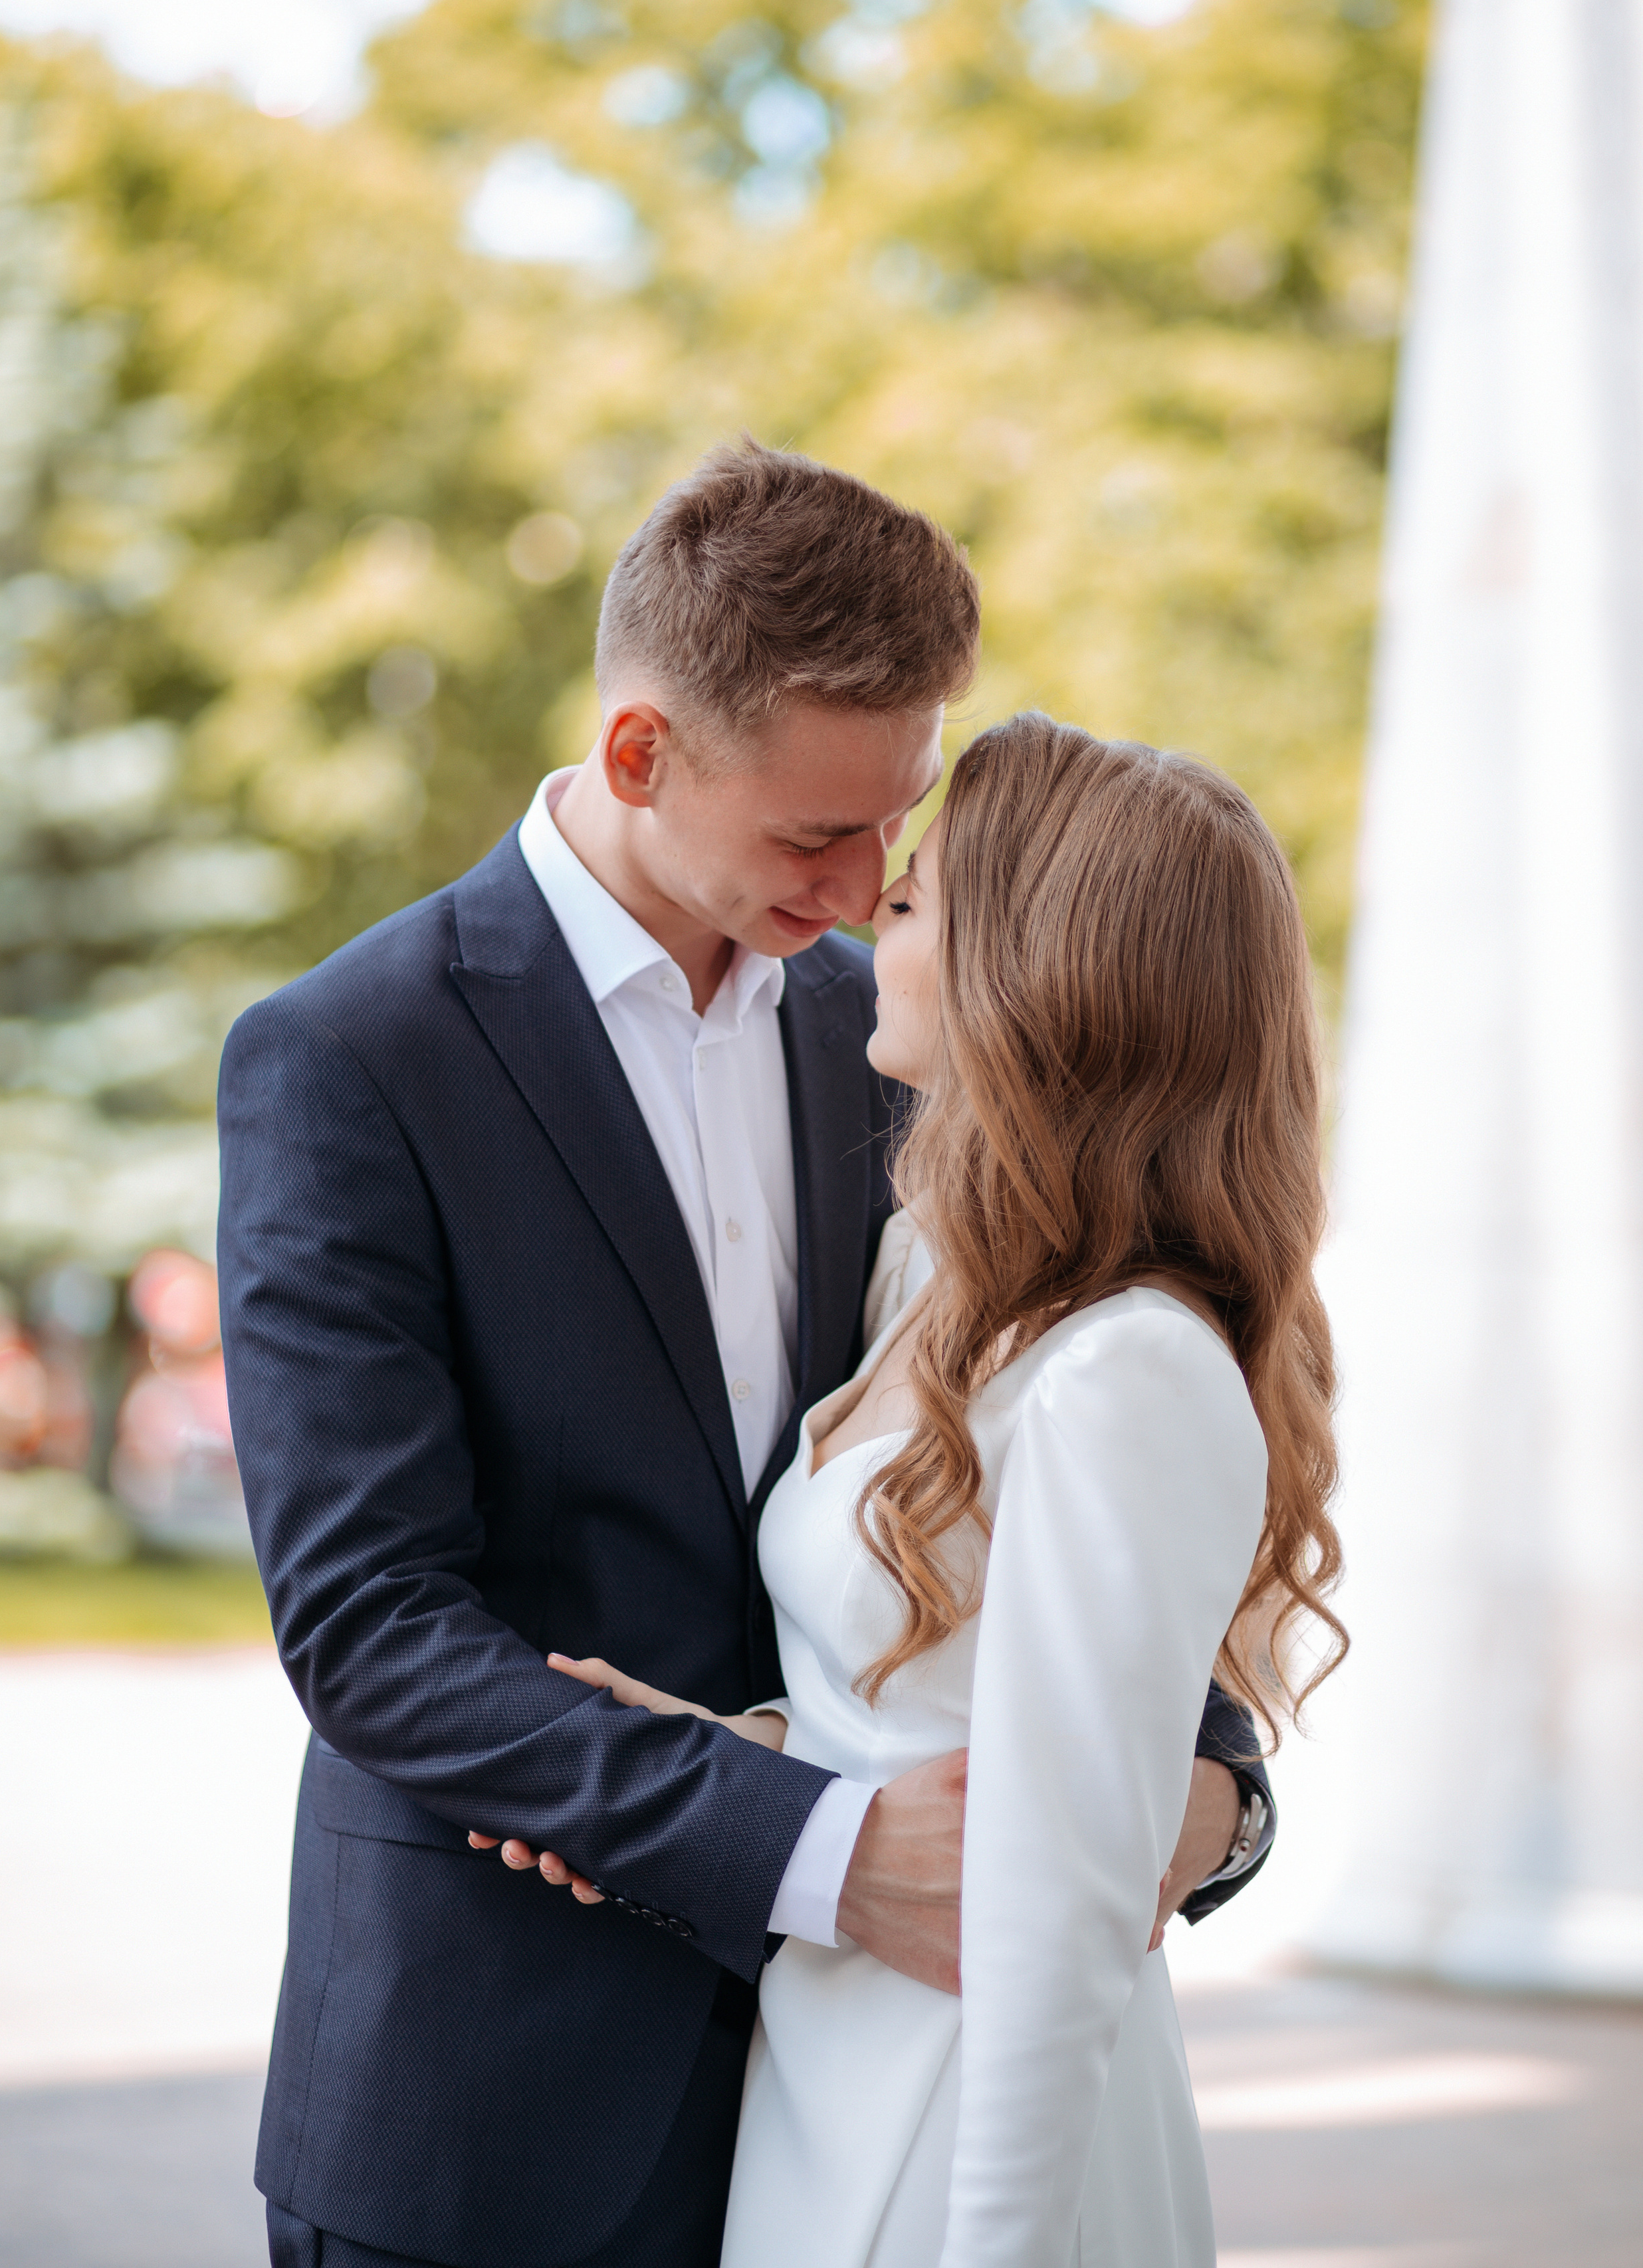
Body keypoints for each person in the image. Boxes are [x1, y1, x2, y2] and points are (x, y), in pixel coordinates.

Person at [218, 445, 1276, 2268]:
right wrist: (827, 1851)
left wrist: (1207, 1784)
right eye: (816, 835)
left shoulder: (902, 1037)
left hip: (863, 2103)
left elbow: (1067, 1455)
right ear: (641, 754)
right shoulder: (353, 1055)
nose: (875, 885)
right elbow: (374, 1624)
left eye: (901, 823)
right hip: (494, 2110)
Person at [532, 715, 1345, 2265]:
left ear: (1033, 976)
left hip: (971, 2117)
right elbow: (929, 1703)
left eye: (908, 906)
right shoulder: (933, 1277)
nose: (858, 922)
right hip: (822, 2065)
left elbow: (1065, 1920)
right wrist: (722, 1756)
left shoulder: (1126, 1375)